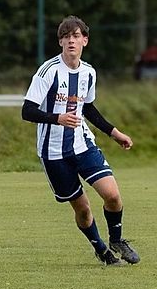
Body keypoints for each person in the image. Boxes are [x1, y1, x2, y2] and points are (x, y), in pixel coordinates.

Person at [21, 15, 138, 266]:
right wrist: (57, 118)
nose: (71, 41)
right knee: (83, 209)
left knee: (113, 196)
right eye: (66, 36)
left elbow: (89, 108)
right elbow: (27, 110)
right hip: (53, 153)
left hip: (82, 144)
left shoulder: (88, 73)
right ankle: (102, 250)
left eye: (76, 36)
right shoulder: (48, 71)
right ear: (60, 42)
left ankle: (117, 240)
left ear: (85, 40)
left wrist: (114, 133)